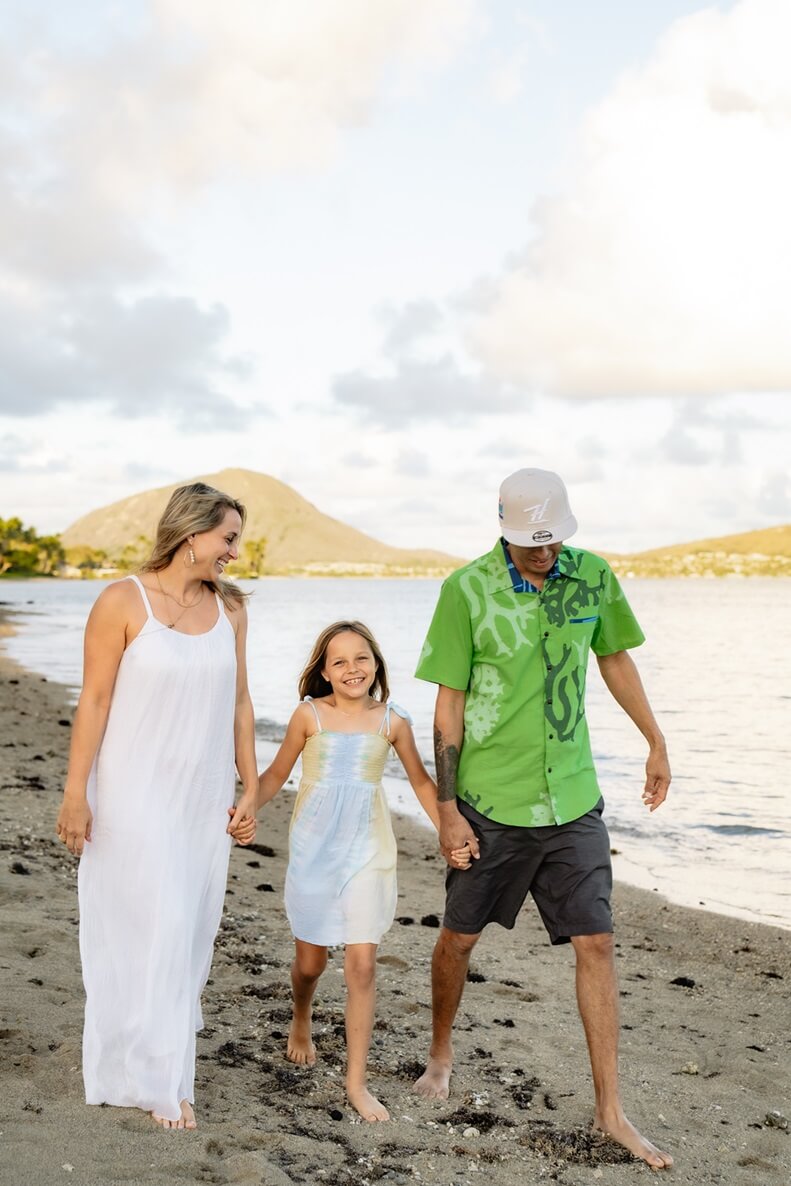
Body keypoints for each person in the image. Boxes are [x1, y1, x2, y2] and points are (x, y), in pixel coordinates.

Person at [411, 468, 674, 1170]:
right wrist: (445, 808)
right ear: (503, 530)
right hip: (490, 803)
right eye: (530, 542)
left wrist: (654, 739)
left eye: (552, 538)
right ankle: (440, 1051)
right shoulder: (465, 590)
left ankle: (610, 1111)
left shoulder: (591, 576)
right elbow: (448, 706)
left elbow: (613, 659)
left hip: (573, 799)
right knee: (458, 943)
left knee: (596, 944)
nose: (543, 552)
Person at [55, 481, 259, 1131]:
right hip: (131, 793)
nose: (233, 551)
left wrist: (251, 787)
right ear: (192, 533)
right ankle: (156, 1081)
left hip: (199, 800)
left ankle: (157, 1071)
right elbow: (94, 703)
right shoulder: (122, 600)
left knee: (188, 932)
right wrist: (74, 794)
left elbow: (239, 704)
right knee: (146, 927)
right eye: (227, 537)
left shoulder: (229, 610)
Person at [243, 620, 470, 1123]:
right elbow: (277, 774)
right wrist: (245, 806)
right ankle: (301, 1016)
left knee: (362, 966)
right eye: (339, 661)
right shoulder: (309, 716)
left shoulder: (393, 721)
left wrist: (449, 831)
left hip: (368, 848)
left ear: (376, 664)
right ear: (323, 671)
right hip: (313, 849)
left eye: (361, 658)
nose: (352, 669)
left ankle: (355, 1082)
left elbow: (420, 782)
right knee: (310, 963)